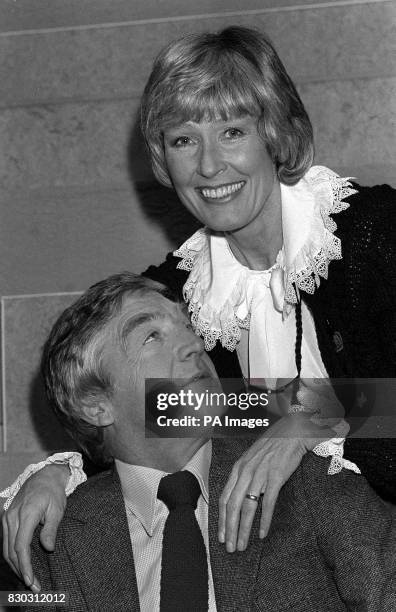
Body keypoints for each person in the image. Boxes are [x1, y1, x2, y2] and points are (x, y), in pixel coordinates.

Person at [2, 25, 395, 588]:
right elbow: (157, 411)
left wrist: (312, 420)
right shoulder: (182, 293)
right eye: (184, 139)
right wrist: (59, 472)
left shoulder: (376, 235)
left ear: (275, 135)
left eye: (232, 132)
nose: (208, 166)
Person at [26, 272, 396, 611]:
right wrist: (51, 472)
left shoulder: (307, 476)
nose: (194, 344)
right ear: (95, 405)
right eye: (151, 336)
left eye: (188, 326)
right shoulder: (55, 545)